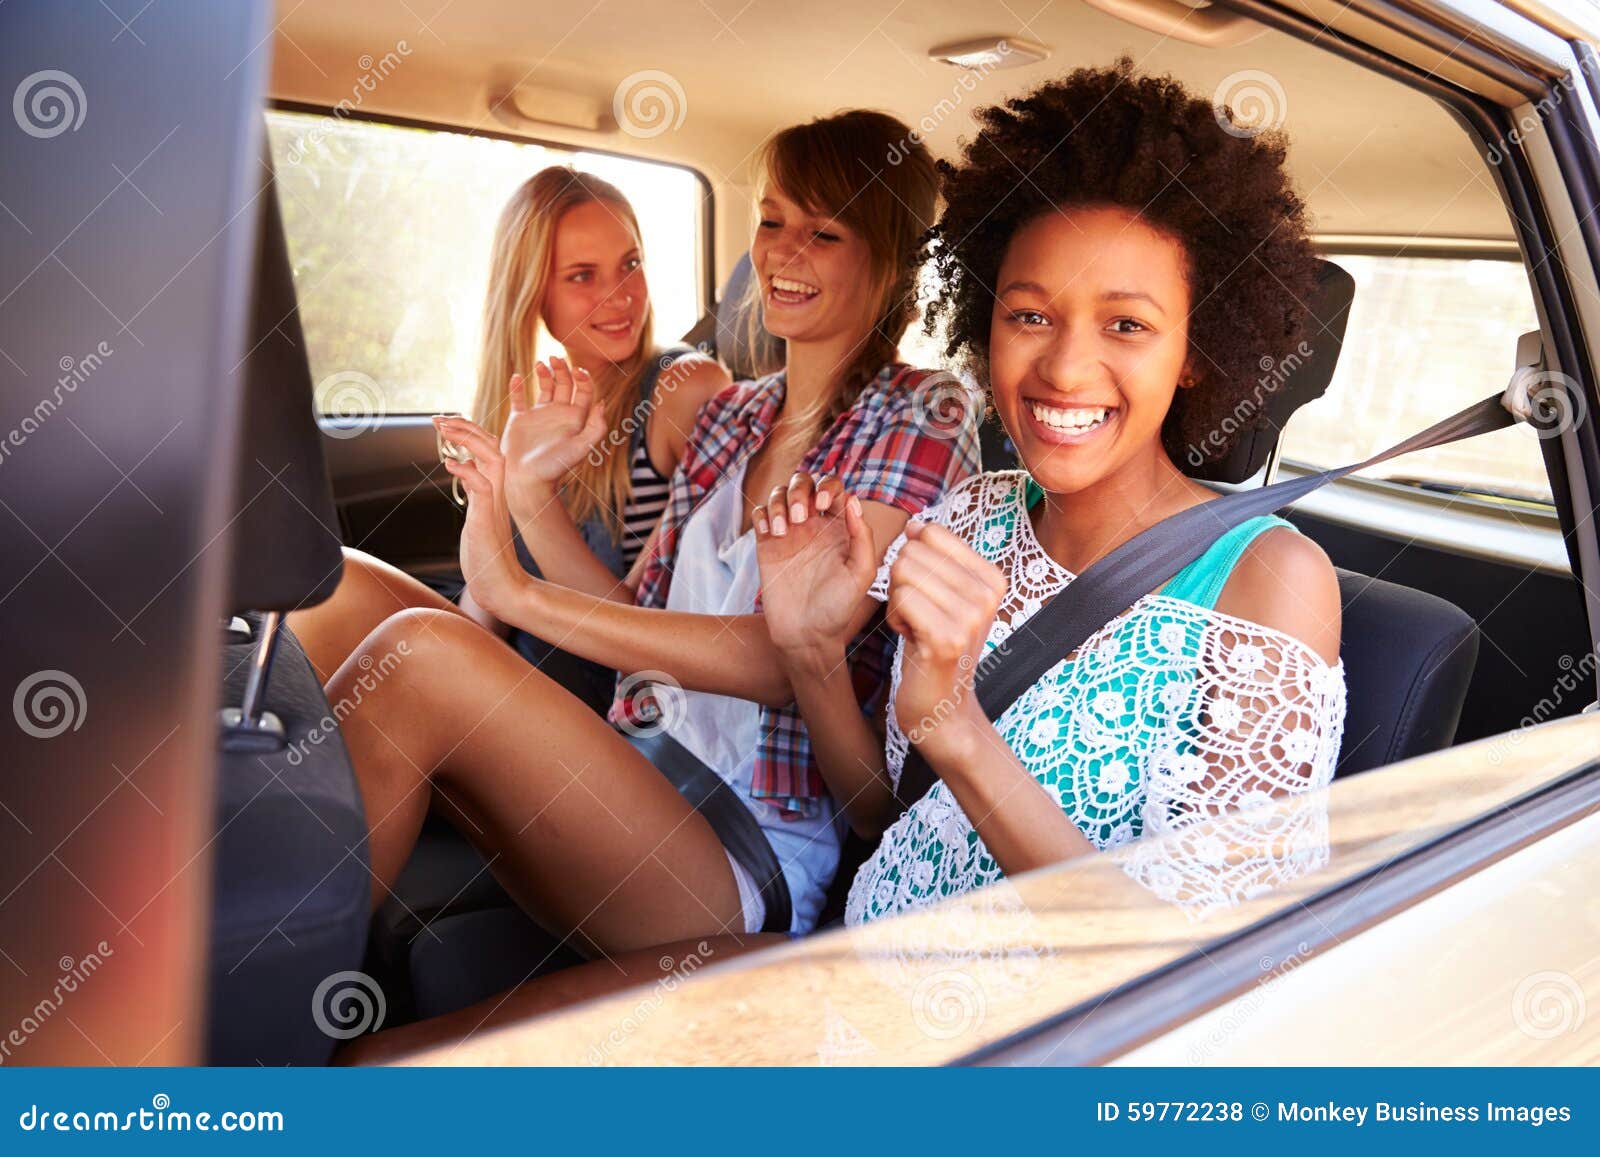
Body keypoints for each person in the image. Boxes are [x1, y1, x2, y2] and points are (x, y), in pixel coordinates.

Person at [327, 109, 980, 962]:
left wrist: (516, 593)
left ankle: (263, 989)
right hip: (632, 761)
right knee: (339, 587)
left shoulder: (922, 412)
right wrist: (528, 494)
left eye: (823, 233)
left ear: (887, 259)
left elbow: (780, 657)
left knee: (418, 653)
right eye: (771, 222)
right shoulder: (732, 417)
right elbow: (635, 617)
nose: (782, 254)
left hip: (741, 848)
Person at [749, 59, 1346, 926]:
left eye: (1127, 324)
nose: (1064, 369)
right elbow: (889, 822)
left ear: (1195, 352)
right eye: (1030, 315)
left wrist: (960, 729)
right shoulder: (968, 517)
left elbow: (1200, 963)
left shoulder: (1271, 583)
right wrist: (810, 650)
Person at [289, 167, 729, 697]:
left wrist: (528, 492)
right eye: (582, 275)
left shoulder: (681, 387)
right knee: (333, 585)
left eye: (630, 264)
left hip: (595, 698)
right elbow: (487, 608)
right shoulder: (534, 405)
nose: (620, 296)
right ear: (531, 289)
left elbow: (639, 639)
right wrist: (448, 664)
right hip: (515, 669)